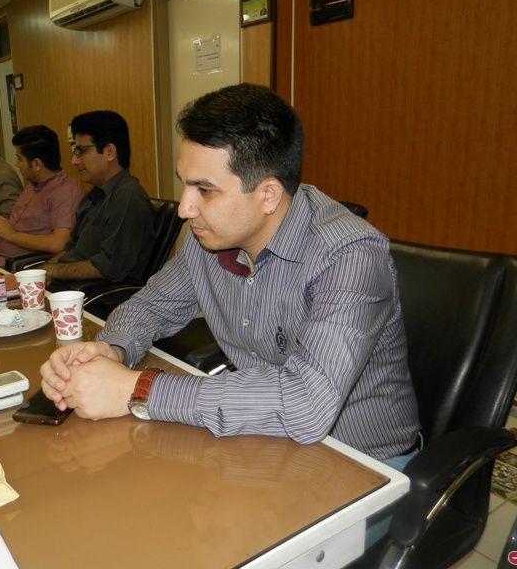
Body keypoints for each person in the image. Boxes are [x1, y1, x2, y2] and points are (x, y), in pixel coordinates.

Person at [41, 84, 420, 467]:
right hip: (263, 443)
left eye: (204, 190)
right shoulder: (209, 238)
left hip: (364, 464)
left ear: (268, 195)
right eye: (185, 184)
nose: (185, 209)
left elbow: (306, 403)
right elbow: (150, 307)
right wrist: (113, 350)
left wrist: (136, 388)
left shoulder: (350, 256)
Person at [40, 111, 155, 289]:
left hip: (96, 296)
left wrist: (53, 271)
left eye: (81, 151)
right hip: (70, 288)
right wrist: (43, 271)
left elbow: (110, 267)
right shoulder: (96, 194)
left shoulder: (127, 197)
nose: (74, 161)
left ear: (109, 152)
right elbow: (72, 249)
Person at [0, 125, 85, 267]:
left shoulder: (66, 191)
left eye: (19, 159)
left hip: (15, 266)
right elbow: (20, 228)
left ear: (37, 164)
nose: (17, 164)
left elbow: (59, 243)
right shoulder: (32, 184)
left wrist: (11, 235)